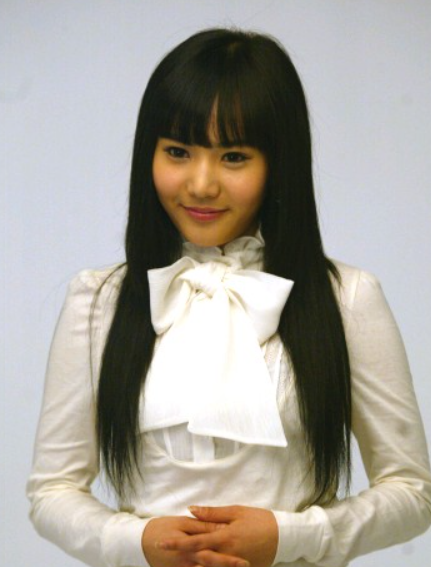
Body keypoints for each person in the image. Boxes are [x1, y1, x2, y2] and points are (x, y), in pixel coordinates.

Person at [27, 28, 431, 567]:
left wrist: (290, 536)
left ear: (278, 163)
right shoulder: (97, 301)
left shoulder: (347, 298)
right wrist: (138, 543)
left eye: (234, 156)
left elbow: (412, 491)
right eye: (177, 152)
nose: (201, 184)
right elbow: (52, 491)